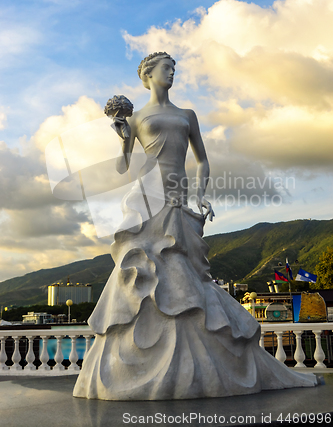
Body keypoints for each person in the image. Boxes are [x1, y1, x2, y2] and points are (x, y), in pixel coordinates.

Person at [73, 52, 318, 401]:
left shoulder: (187, 114)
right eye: (165, 68)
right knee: (146, 271)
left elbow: (202, 160)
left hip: (176, 196)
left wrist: (200, 195)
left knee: (184, 271)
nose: (171, 73)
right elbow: (122, 167)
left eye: (174, 68)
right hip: (147, 195)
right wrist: (121, 133)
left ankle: (193, 361)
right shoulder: (138, 116)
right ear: (148, 74)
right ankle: (140, 361)